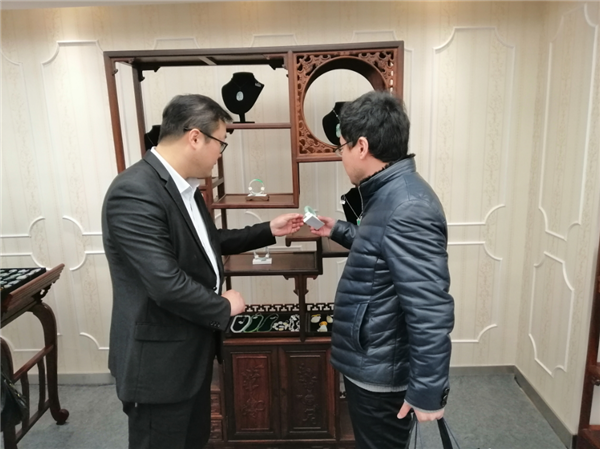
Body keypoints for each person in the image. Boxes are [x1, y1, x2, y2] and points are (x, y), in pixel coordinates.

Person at [101, 94, 303, 449]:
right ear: (195, 137)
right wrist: (223, 306)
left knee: (194, 439)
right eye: (220, 142)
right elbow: (165, 282)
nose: (220, 153)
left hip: (189, 353)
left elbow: (208, 242)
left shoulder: (186, 188)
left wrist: (269, 230)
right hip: (158, 366)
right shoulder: (134, 191)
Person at [310, 91, 455, 449]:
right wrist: (337, 229)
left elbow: (429, 307)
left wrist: (427, 391)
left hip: (381, 371)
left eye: (341, 147)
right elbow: (382, 247)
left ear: (361, 146)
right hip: (373, 357)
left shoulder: (407, 206)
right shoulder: (390, 193)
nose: (341, 156)